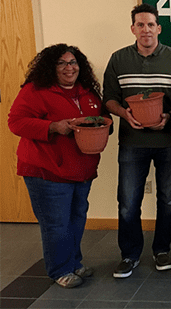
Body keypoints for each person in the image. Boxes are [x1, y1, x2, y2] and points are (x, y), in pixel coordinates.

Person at [8, 44, 109, 288]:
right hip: (47, 170)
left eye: (73, 62)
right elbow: (16, 122)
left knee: (76, 218)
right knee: (56, 223)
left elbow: (102, 117)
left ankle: (74, 262)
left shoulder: (87, 91)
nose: (69, 67)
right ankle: (60, 269)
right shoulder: (36, 90)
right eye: (62, 63)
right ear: (51, 67)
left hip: (81, 170)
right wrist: (53, 127)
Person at [103, 3, 171, 278]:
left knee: (168, 200)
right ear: (133, 29)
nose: (145, 30)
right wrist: (125, 115)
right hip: (132, 142)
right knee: (128, 201)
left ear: (158, 28)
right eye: (140, 25)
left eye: (150, 24)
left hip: (170, 141)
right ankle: (129, 254)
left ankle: (161, 249)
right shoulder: (118, 59)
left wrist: (169, 114)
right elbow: (109, 98)